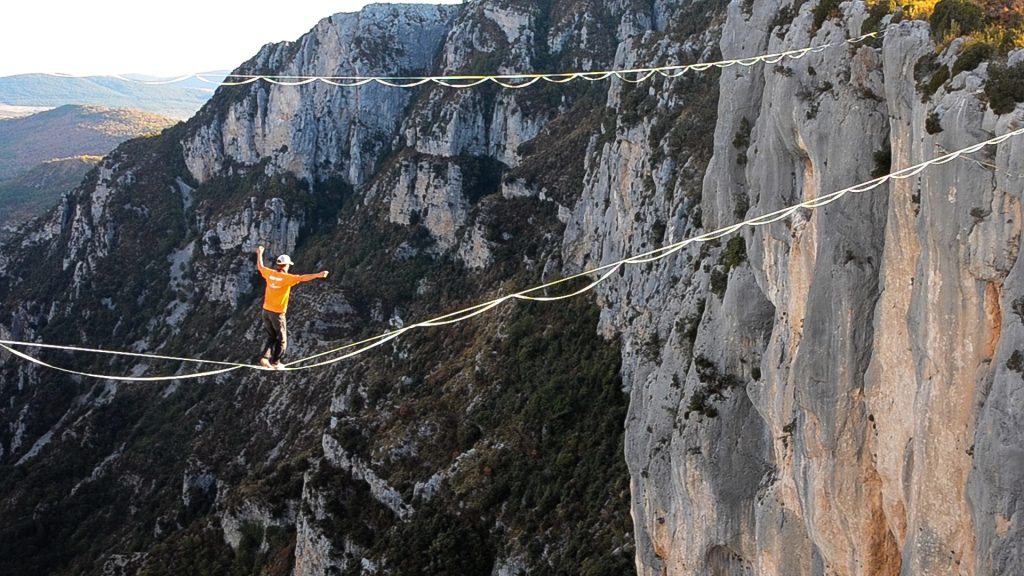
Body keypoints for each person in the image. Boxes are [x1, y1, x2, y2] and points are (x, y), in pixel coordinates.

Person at [256, 245, 329, 370]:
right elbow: (302, 278)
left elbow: (260, 267)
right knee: (282, 339)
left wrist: (259, 254)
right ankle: (275, 362)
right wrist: (319, 274)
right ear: (286, 265)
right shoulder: (286, 278)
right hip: (277, 313)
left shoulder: (269, 273)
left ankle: (264, 358)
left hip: (265, 310)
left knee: (271, 337)